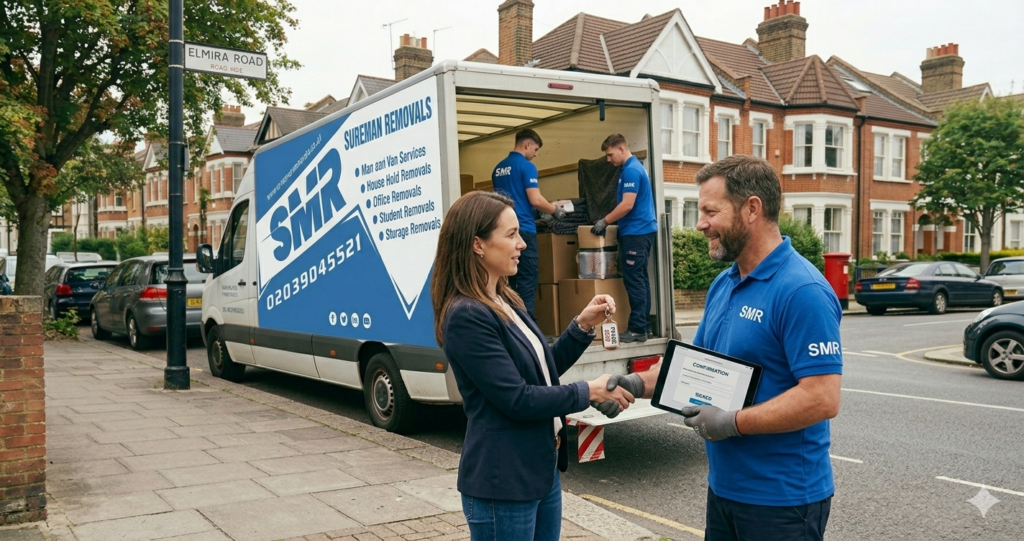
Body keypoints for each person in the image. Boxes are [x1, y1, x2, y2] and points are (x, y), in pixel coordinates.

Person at [600, 155, 843, 541]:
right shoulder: (724, 284)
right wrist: (634, 383)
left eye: (710, 211)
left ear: (752, 209)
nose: (700, 224)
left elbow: (822, 398)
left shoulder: (802, 290)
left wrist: (732, 423)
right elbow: (693, 369)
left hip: (784, 502)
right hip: (725, 491)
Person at [431, 190, 635, 541]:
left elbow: (541, 372)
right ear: (477, 244)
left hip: (540, 469)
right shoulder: (467, 315)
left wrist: (581, 326)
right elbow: (518, 398)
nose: (522, 243)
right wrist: (588, 391)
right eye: (511, 234)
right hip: (504, 483)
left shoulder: (505, 299)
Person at [491, 129, 566, 319]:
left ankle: (509, 323)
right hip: (523, 230)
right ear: (527, 145)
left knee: (507, 280)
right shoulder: (527, 166)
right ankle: (527, 326)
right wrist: (555, 210)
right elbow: (535, 199)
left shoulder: (498, 168)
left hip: (502, 231)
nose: (536, 154)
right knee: (527, 278)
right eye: (536, 149)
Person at [591, 134, 658, 343]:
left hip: (636, 232)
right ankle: (644, 327)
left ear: (622, 149)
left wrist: (604, 221)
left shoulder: (631, 170)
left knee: (635, 280)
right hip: (641, 231)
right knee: (640, 279)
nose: (608, 159)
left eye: (610, 154)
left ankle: (637, 329)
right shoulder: (635, 168)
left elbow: (627, 204)